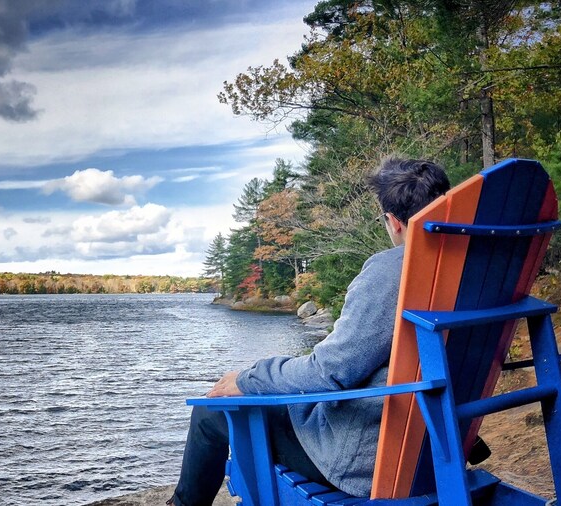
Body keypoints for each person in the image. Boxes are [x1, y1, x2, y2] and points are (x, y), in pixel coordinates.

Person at [169, 158, 451, 505]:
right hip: (435, 447)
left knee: (212, 411)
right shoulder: (472, 271)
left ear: (393, 222)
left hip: (364, 463)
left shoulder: (394, 273)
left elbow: (331, 372)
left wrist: (248, 378)